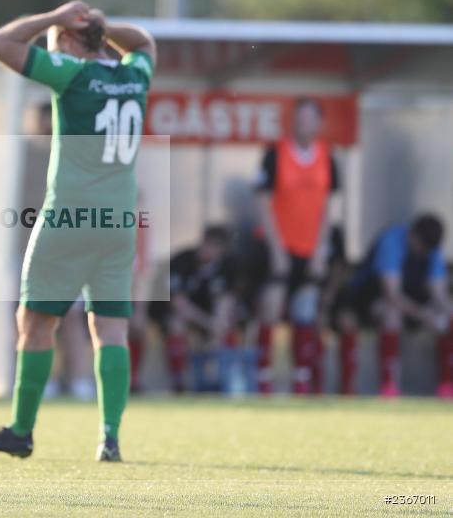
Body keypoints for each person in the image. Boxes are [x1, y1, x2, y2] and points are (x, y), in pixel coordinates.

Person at [0, 1, 154, 462]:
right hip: (118, 222)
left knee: (34, 322)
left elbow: (0, 44)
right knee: (110, 328)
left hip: (69, 217)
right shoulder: (135, 76)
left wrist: (53, 17)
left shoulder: (70, 73)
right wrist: (102, 26)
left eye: (57, 38)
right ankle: (109, 436)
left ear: (70, 41)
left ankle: (22, 430)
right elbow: (145, 43)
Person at [254, 98, 339, 394]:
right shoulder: (275, 154)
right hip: (280, 246)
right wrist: (276, 249)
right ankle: (263, 378)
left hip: (310, 247)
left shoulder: (328, 158)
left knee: (305, 310)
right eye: (299, 118)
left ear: (318, 123)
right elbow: (263, 202)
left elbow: (328, 208)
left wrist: (321, 250)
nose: (303, 124)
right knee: (272, 307)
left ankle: (301, 379)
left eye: (309, 118)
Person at [337, 214, 453, 397]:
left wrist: (447, 316)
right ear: (413, 236)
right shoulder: (392, 241)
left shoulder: (431, 252)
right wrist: (425, 316)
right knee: (391, 314)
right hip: (368, 298)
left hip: (410, 304)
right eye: (421, 247)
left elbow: (440, 295)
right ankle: (388, 384)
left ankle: (447, 385)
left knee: (448, 319)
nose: (423, 253)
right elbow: (392, 295)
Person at [149, 226, 238, 393]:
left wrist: (218, 325)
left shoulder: (228, 266)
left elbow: (225, 300)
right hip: (184, 314)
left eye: (215, 245)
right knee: (176, 323)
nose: (208, 249)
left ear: (222, 250)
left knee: (226, 324)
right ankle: (179, 381)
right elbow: (178, 302)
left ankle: (218, 379)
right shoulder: (182, 260)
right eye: (206, 243)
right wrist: (208, 323)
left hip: (207, 315)